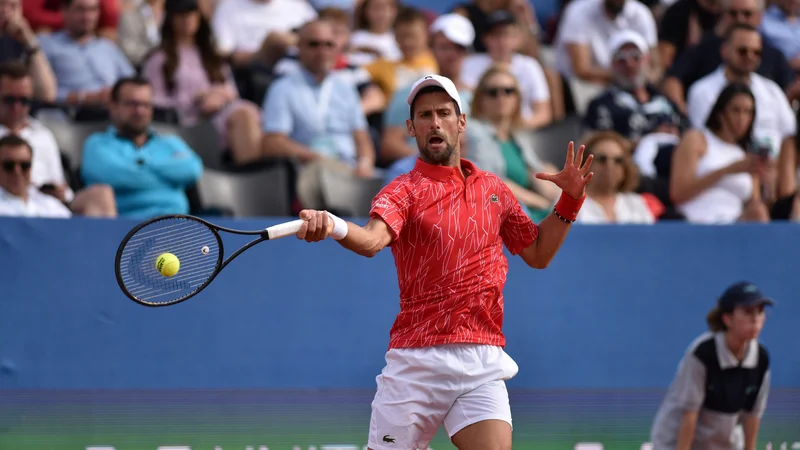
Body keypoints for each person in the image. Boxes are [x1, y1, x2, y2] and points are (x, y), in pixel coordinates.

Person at [293, 74, 594, 450]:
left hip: (481, 358)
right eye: (424, 115)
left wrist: (569, 201)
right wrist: (334, 225)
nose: (434, 122)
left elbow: (538, 253)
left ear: (461, 121)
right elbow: (371, 241)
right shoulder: (403, 190)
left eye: (443, 113)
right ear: (411, 128)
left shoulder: (493, 189)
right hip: (417, 361)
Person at [650, 281, 773, 450]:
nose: (756, 318)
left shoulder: (761, 358)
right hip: (677, 441)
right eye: (747, 311)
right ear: (727, 319)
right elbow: (690, 415)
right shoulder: (703, 353)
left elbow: (752, 416)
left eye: (760, 311)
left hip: (722, 442)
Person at [670, 83, 771, 224]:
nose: (742, 118)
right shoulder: (697, 139)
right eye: (736, 111)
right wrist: (727, 171)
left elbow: (754, 203)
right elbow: (678, 193)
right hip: (696, 222)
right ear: (721, 113)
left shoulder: (746, 156)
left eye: (748, 112)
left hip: (734, 226)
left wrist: (767, 185)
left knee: (759, 211)